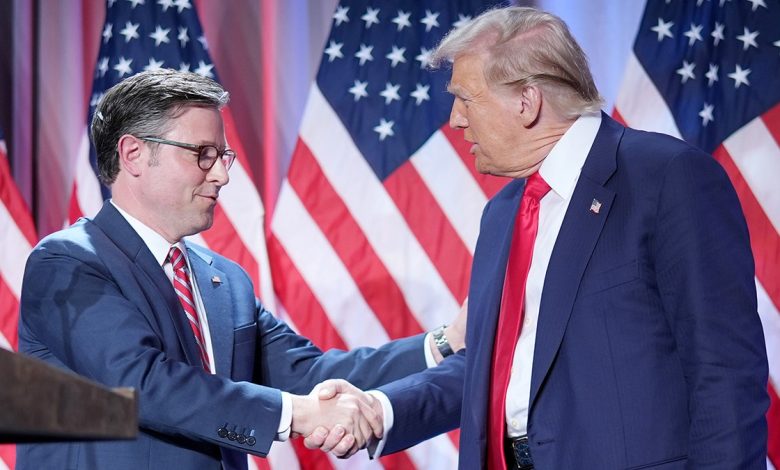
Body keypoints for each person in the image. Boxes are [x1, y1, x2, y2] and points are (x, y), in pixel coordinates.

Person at [313, 6, 769, 469]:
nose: (454, 120)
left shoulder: (664, 179)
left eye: (465, 99)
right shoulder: (504, 212)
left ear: (527, 101)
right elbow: (498, 369)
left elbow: (725, 371)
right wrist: (382, 409)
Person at [16, 69, 466, 469]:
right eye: (202, 154)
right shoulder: (69, 261)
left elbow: (309, 374)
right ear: (133, 154)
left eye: (222, 157)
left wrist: (444, 343)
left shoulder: (224, 281)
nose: (221, 175)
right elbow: (142, 383)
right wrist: (299, 414)